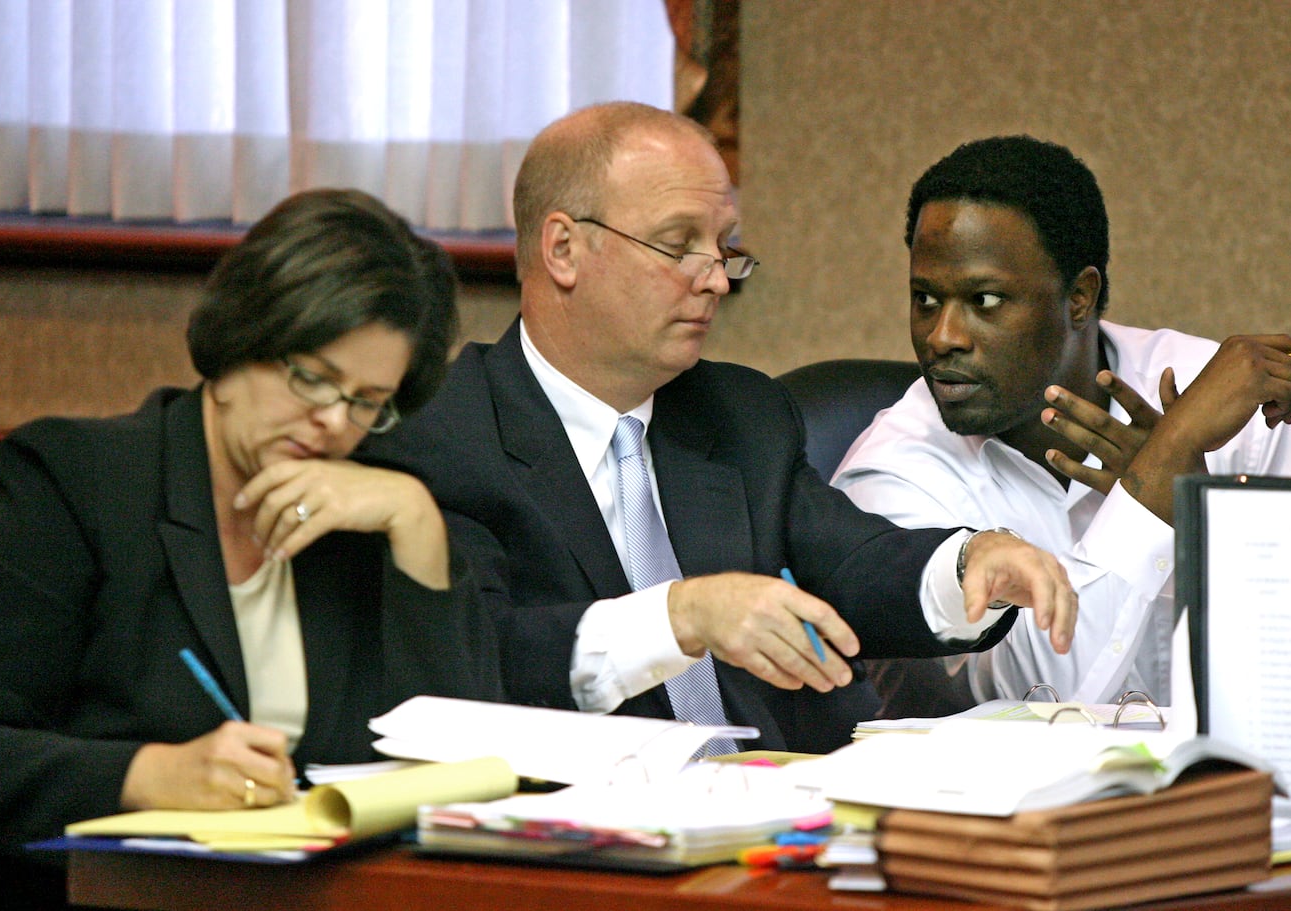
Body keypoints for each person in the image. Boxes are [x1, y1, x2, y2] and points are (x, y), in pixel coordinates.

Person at [358, 102, 1078, 757]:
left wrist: (966, 565)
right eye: (679, 245)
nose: (716, 279)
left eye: (724, 246)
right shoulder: (440, 433)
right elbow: (471, 659)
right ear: (564, 249)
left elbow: (855, 559)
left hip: (785, 807)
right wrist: (680, 615)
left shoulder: (738, 414)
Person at [0, 188, 503, 908]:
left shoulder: (363, 514)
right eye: (311, 377)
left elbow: (458, 768)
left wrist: (417, 527)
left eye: (367, 402)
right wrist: (149, 772)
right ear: (238, 338)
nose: (332, 421)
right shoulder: (74, 482)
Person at [833, 136, 1291, 715]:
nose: (943, 335)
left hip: (1242, 786)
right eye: (925, 298)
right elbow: (1039, 705)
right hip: (1012, 800)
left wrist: (1211, 526)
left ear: (1080, 297)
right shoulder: (891, 476)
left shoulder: (1223, 392)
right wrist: (1158, 476)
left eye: (985, 299)